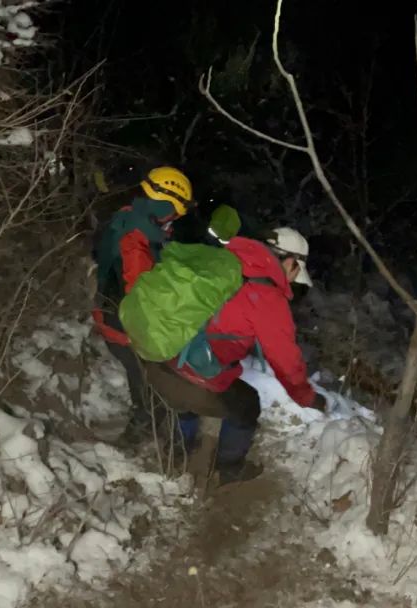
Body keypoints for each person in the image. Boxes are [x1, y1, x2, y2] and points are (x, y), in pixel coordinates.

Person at [140, 227, 323, 484]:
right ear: (290, 262)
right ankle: (228, 469)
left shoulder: (221, 260)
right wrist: (308, 397)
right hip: (186, 375)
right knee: (247, 405)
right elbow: (286, 362)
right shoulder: (267, 297)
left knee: (186, 391)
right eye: (295, 272)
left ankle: (176, 451)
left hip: (156, 357)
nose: (293, 280)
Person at [92, 166, 194, 444]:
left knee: (145, 376)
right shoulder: (136, 241)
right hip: (124, 325)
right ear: (164, 204)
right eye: (174, 212)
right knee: (147, 378)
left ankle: (149, 421)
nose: (174, 220)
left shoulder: (128, 218)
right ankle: (141, 430)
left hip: (109, 311)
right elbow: (142, 294)